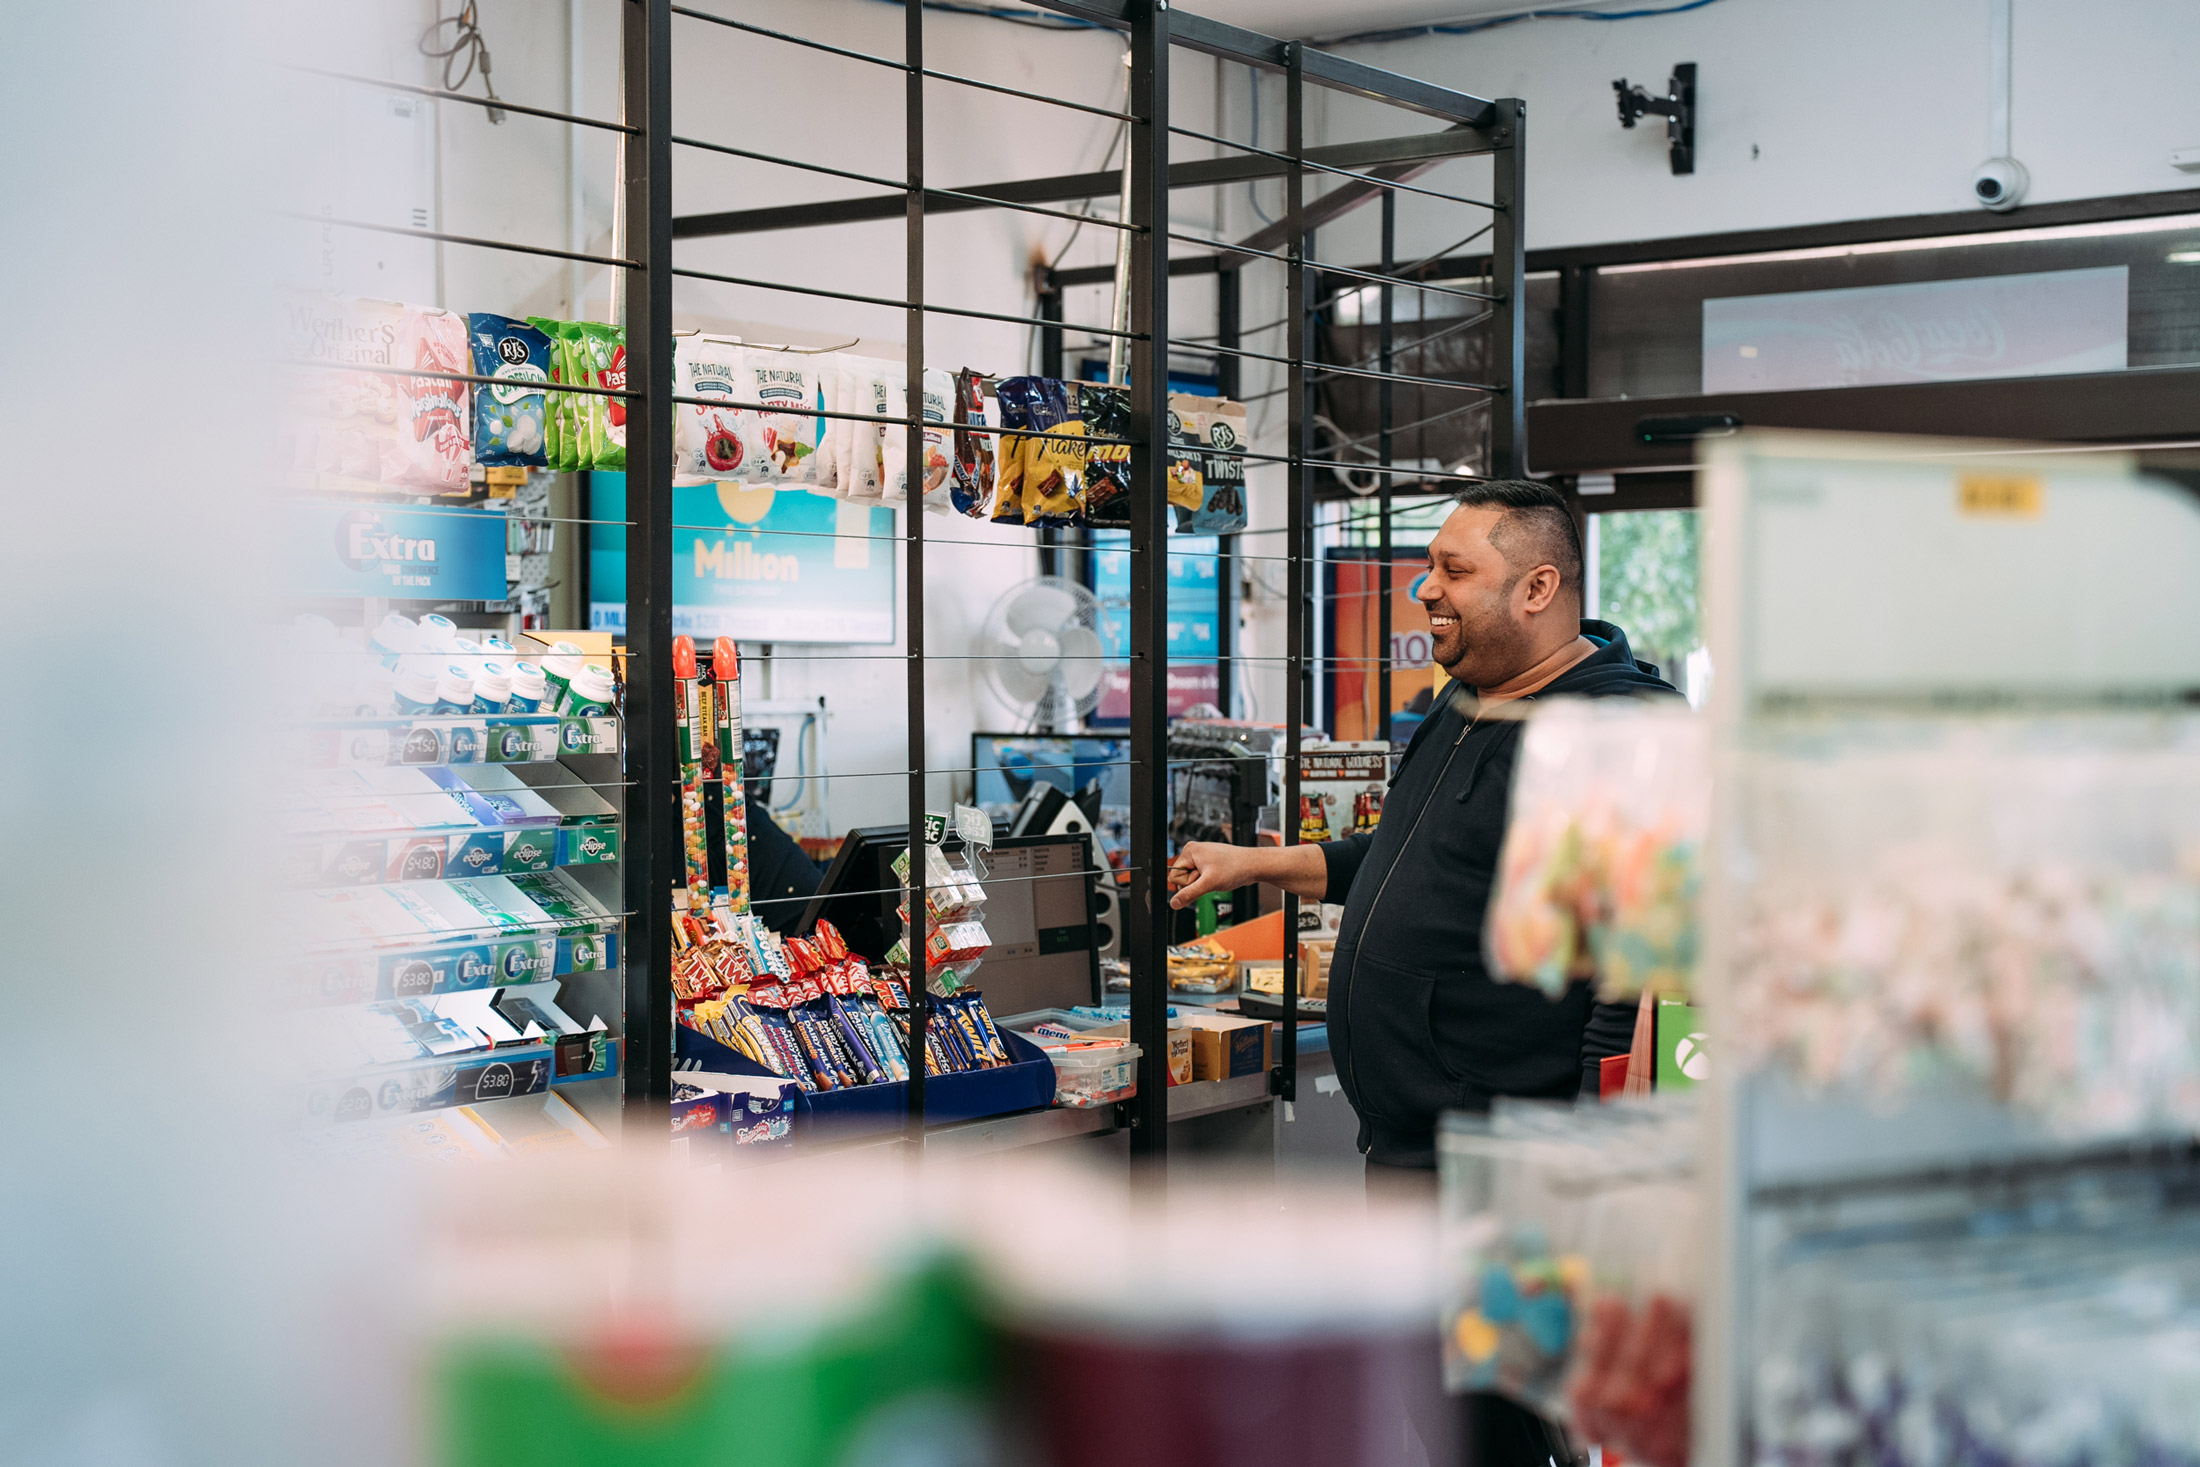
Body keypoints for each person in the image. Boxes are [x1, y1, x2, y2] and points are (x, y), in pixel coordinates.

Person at [1169, 481, 1682, 1172]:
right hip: (1408, 1138)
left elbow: (1631, 972)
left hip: (1510, 1159)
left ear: (1537, 589)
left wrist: (1589, 1156)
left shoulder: (1616, 731)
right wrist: (1255, 864)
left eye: (1456, 571)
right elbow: (1402, 859)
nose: (1425, 588)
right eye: (1432, 564)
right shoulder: (1468, 699)